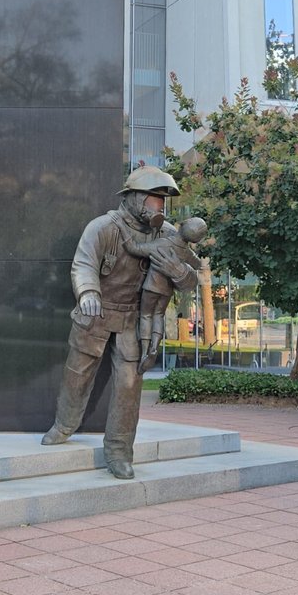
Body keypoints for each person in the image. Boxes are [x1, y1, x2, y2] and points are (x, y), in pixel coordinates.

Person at [41, 166, 199, 479]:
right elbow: (83, 264)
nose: (159, 207)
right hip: (96, 314)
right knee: (77, 375)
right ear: (131, 197)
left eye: (162, 202)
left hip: (135, 320)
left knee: (129, 386)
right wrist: (88, 292)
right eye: (152, 199)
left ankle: (118, 452)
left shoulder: (168, 235)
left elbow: (192, 279)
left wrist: (178, 271)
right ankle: (64, 425)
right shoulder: (103, 227)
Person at [124, 216, 207, 362]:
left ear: (182, 225)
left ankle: (144, 351)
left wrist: (122, 229)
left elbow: (134, 248)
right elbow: (198, 264)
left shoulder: (161, 244)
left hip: (151, 287)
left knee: (146, 315)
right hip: (167, 290)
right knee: (158, 316)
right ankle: (154, 347)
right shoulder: (187, 252)